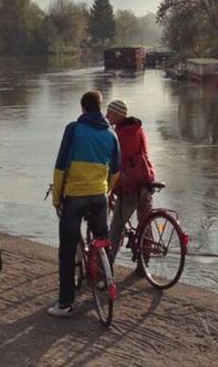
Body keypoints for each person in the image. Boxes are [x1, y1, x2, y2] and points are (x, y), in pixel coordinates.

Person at [47, 90, 121, 318]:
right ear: (100, 108)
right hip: (99, 196)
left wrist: (57, 198)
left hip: (75, 197)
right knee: (102, 239)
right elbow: (116, 171)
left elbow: (60, 167)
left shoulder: (74, 129)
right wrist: (106, 191)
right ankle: (104, 280)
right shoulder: (111, 134)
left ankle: (66, 303)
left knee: (67, 249)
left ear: (83, 108)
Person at [105, 99, 155, 265]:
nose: (106, 116)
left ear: (118, 115)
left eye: (110, 113)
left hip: (130, 184)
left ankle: (106, 266)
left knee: (116, 225)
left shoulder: (118, 134)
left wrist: (109, 187)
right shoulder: (139, 129)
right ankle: (144, 263)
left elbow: (115, 164)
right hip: (146, 179)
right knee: (145, 221)